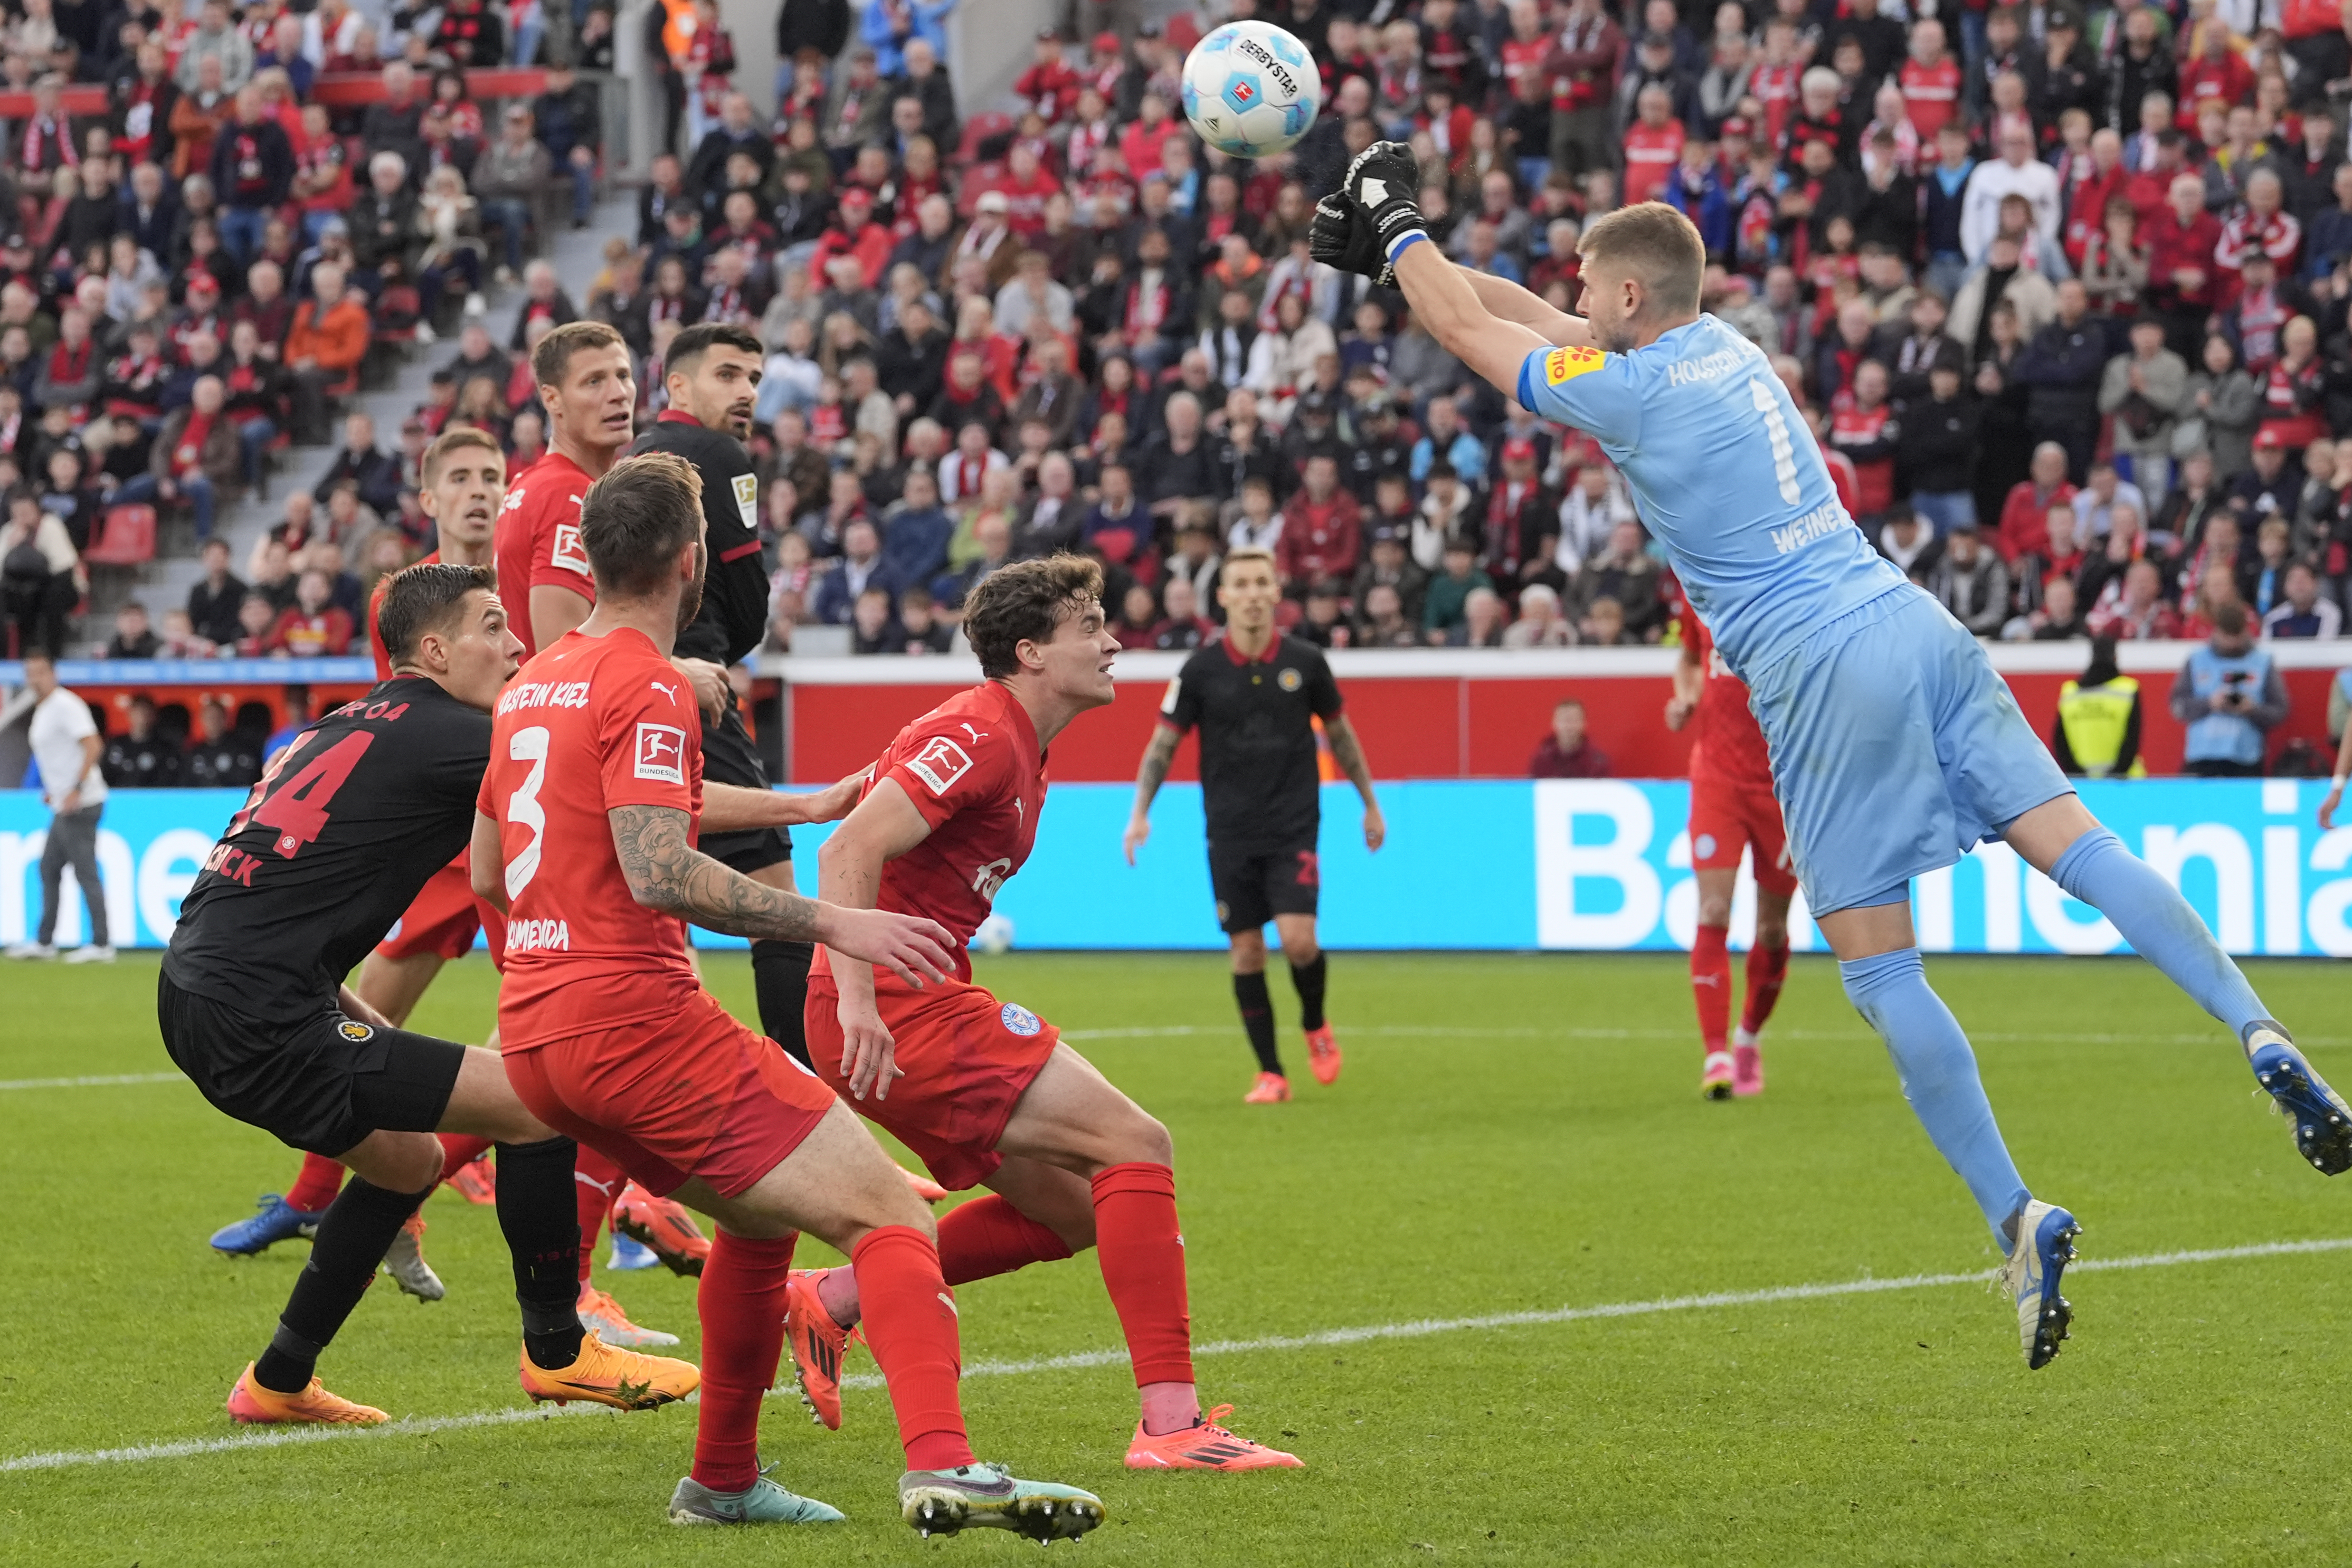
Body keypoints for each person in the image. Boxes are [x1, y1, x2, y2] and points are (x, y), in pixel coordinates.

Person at [1313, 155, 2350, 1372]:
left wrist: (1397, 232)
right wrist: (1390, 263)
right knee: (2079, 844)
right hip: (1910, 620)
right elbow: (1516, 311)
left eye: (1588, 287)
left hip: (1812, 667)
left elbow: (1460, 320)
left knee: (1875, 964)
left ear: (1631, 303)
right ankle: (2255, 1027)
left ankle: (2016, 1216)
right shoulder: (1720, 347)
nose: (1570, 299)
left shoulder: (1629, 393)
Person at [475, 453, 1103, 1533]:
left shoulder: (533, 683)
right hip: (639, 1024)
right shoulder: (652, 681)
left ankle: (721, 1482)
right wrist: (835, 921)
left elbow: (492, 867)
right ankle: (945, 1465)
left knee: (761, 1227)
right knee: (890, 1218)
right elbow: (657, 868)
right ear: (692, 562)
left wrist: (803, 805)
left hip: (538, 1028)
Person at [158, 563, 701, 1429]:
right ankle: (561, 1350)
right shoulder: (454, 736)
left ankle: (278, 1380)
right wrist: (801, 800)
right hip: (255, 1007)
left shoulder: (349, 726)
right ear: (436, 650)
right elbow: (636, 804)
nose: (517, 642)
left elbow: (276, 908)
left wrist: (350, 1012)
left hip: (203, 986)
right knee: (536, 1107)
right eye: (493, 627)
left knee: (409, 1161)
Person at [791, 551, 1300, 1474]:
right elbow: (846, 852)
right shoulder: (984, 731)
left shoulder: (1014, 739)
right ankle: (1172, 1426)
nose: (1113, 643)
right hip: (900, 1009)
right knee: (1136, 1145)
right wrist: (859, 1003)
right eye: (1090, 627)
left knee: (1074, 1213)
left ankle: (831, 1297)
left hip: (917, 1000)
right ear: (1029, 650)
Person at [1123, 546, 1385, 1103]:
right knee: (1245, 951)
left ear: (1275, 591)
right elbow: (1163, 744)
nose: (1250, 593)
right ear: (1222, 597)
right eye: (1238, 584)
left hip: (1293, 825)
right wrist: (1140, 811)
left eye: (1259, 582)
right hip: (1229, 831)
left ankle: (1314, 1021)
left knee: (1298, 940)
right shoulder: (1200, 670)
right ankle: (1271, 1072)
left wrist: (1370, 801)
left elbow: (1340, 734)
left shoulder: (1307, 662)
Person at [1666, 606, 1794, 1099]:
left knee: (1772, 928)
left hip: (1780, 786)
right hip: (1717, 779)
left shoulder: (1786, 595)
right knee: (1714, 909)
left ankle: (1748, 1039)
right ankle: (1715, 1052)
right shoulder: (1699, 587)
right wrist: (1686, 698)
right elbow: (1689, 659)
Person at [6, 652, 112, 963]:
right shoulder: (44, 708)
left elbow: (93, 745)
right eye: (29, 673)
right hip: (64, 804)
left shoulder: (66, 705)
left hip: (81, 803)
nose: (33, 679)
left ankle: (101, 943)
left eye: (39, 672)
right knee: (49, 867)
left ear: (53, 673)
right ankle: (44, 941)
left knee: (85, 872)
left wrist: (75, 790)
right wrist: (54, 792)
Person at [2168, 603, 2287, 777]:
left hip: (2247, 759)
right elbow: (2177, 706)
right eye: (2227, 635)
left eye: (2237, 635)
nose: (2232, 642)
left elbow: (2280, 710)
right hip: (2201, 759)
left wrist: (2252, 710)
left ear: (2246, 631)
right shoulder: (2197, 660)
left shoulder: (2262, 662)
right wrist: (2209, 704)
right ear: (2216, 630)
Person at [2051, 637, 2145, 780]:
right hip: (2126, 783)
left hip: (2083, 784)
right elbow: (2132, 739)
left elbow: (2060, 741)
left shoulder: (2070, 693)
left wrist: (2077, 773)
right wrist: (2117, 773)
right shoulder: (2128, 689)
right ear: (2115, 657)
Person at [1529, 697, 1610, 777]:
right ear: (1554, 723)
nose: (1569, 726)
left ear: (1584, 723)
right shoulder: (1541, 761)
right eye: (1564, 720)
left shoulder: (1597, 762)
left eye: (1574, 720)